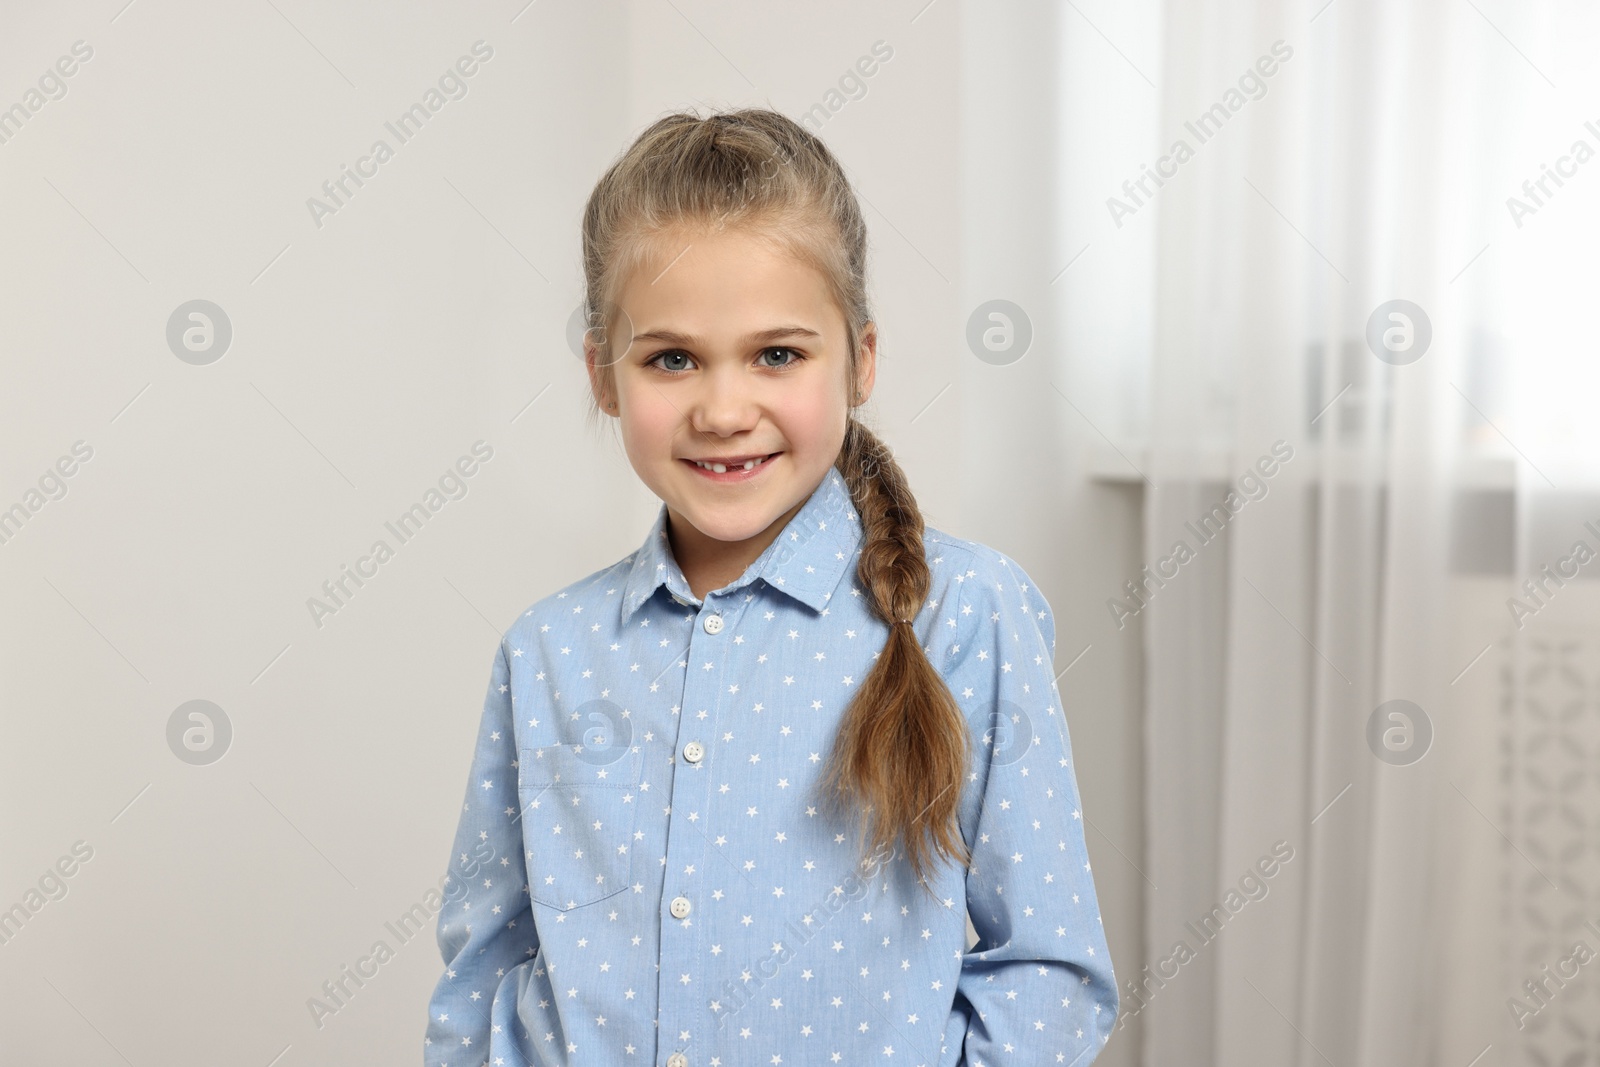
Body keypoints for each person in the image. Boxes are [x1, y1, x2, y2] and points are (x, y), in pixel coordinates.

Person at [424, 107, 1117, 1067]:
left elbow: (1051, 975)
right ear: (602, 375)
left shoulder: (972, 613)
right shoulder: (547, 651)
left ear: (861, 360)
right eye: (671, 358)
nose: (721, 409)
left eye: (777, 355)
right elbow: (482, 978)